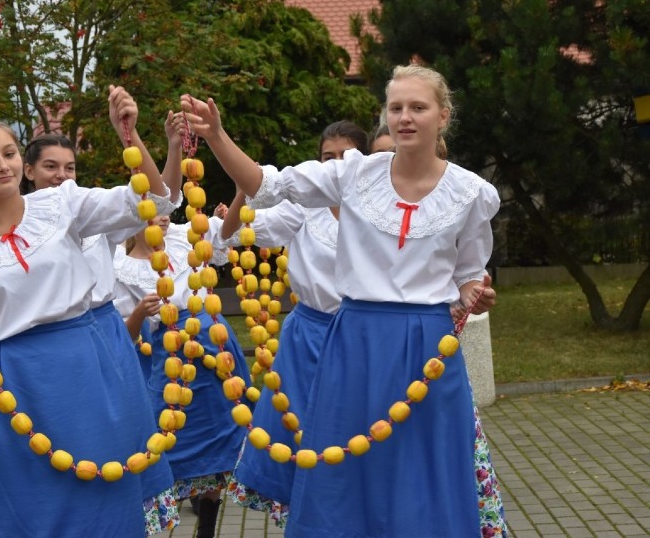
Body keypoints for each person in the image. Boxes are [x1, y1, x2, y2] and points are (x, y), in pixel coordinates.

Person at [181, 63, 507, 537]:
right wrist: (217, 137)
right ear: (385, 116)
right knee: (342, 477)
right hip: (355, 340)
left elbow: (467, 275)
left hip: (427, 346)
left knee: (423, 471)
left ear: (443, 116)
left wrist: (475, 294)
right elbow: (266, 184)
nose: (406, 117)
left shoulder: (472, 193)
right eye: (396, 108)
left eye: (418, 107)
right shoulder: (355, 173)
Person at [0, 99, 178, 537]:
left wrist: (131, 137)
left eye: (8, 154)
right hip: (16, 384)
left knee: (97, 497)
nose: (2, 165)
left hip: (87, 370)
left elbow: (154, 198)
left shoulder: (60, 204)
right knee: (20, 502)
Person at [17, 87, 182, 535]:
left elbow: (160, 198)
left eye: (69, 167)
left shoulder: (87, 211)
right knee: (65, 447)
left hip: (105, 335)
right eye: (50, 167)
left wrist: (129, 135)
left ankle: (122, 523)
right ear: (27, 170)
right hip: (50, 346)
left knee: (120, 441)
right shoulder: (13, 221)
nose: (61, 176)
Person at [219, 121, 370, 527]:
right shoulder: (304, 207)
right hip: (308, 338)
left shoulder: (379, 206)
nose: (336, 165)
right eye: (327, 158)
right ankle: (307, 523)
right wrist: (240, 192)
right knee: (302, 437)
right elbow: (229, 238)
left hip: (361, 338)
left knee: (354, 438)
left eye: (346, 156)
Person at [112, 111, 253, 538]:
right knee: (166, 442)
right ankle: (163, 513)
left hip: (212, 353)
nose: (156, 216)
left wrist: (244, 191)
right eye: (148, 210)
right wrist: (140, 314)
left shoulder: (185, 237)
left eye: (160, 211)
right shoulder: (121, 267)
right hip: (163, 364)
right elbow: (124, 332)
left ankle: (208, 523)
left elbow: (224, 238)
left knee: (220, 438)